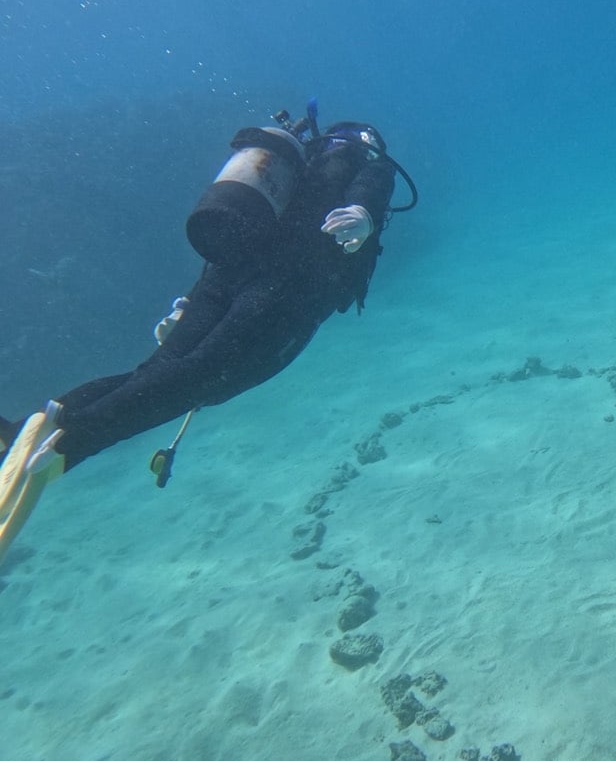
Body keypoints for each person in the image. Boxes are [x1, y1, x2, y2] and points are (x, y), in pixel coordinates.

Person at [0, 102, 417, 564]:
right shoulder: (366, 159)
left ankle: (38, 424)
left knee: (161, 368)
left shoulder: (301, 163)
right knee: (203, 379)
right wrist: (362, 211)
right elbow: (373, 184)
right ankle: (74, 443)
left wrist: (189, 305)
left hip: (222, 270)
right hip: (290, 283)